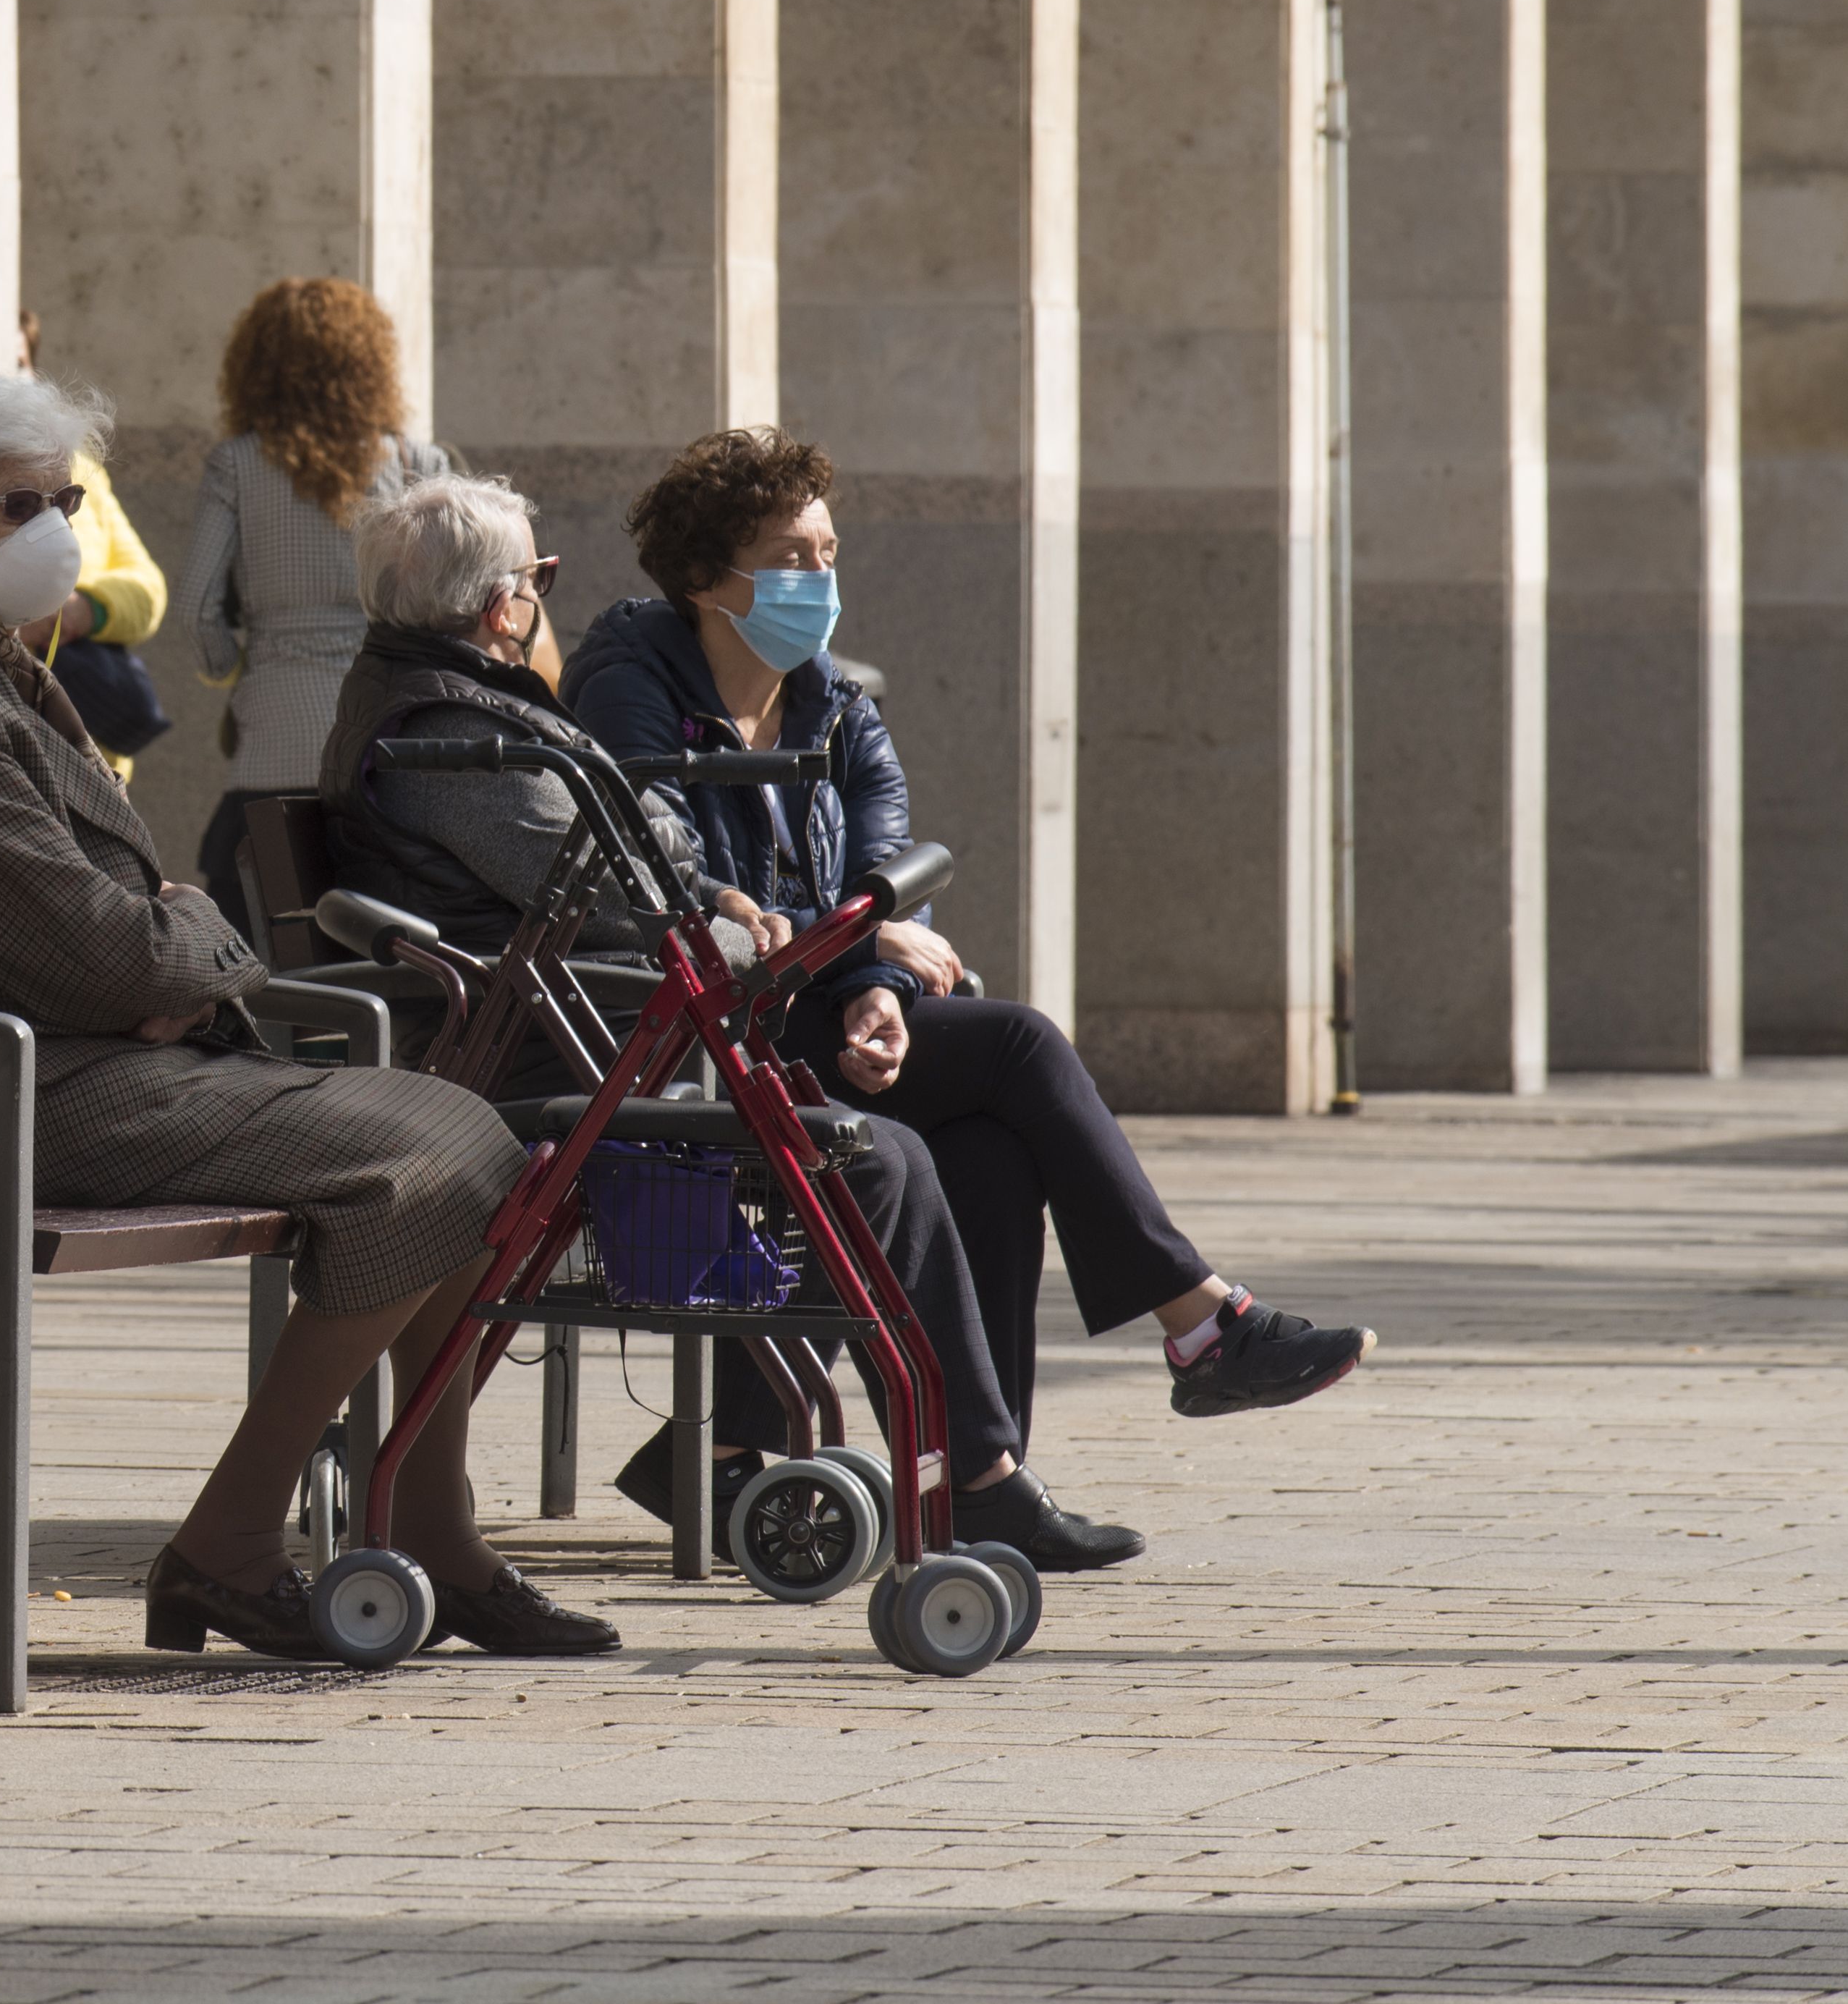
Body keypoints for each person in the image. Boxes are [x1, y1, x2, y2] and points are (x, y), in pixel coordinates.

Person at [0, 357, 616, 1663]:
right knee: (432, 1153)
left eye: (63, 496)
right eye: (21, 506)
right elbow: (111, 957)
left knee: (466, 1138)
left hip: (59, 1072)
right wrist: (181, 947)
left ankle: (424, 1525)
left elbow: (134, 937)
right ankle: (238, 1545)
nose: (56, 528)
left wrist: (173, 950)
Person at [323, 475, 1132, 1570]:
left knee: (965, 1137)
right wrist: (753, 924)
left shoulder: (473, 709)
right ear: (500, 604)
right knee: (879, 1154)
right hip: (557, 1067)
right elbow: (634, 884)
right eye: (538, 579)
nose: (542, 602)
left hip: (607, 1036)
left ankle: (961, 1469)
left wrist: (733, 906)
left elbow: (648, 847)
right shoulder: (454, 735)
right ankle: (970, 1468)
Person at [558, 428, 1378, 1502]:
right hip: (693, 1023)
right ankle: (1198, 1323)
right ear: (707, 576)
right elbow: (668, 864)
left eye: (827, 550)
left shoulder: (833, 696)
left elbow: (890, 868)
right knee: (1017, 1043)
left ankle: (979, 1482)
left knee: (988, 1151)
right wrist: (857, 944)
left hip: (798, 1010)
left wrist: (873, 992)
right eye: (790, 554)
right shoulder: (630, 681)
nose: (818, 577)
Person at [168, 279, 451, 922]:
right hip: (387, 743)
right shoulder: (415, 462)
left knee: (264, 961)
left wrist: (228, 670)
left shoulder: (236, 464)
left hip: (272, 740)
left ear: (254, 365)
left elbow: (192, 608)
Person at [14, 309, 171, 777]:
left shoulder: (82, 470)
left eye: (21, 362)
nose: (14, 376)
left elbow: (148, 589)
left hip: (96, 756)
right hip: (13, 742)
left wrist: (82, 610)